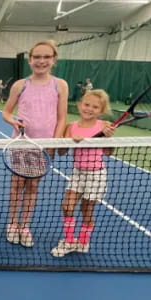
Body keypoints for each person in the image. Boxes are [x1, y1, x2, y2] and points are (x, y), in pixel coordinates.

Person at [2, 40, 68, 248]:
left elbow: (62, 118)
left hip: (44, 147)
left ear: (53, 59)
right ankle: (12, 224)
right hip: (21, 144)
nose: (41, 61)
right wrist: (13, 121)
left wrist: (53, 143)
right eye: (37, 57)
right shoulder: (20, 85)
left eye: (46, 57)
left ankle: (25, 226)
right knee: (17, 186)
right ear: (30, 60)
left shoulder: (60, 85)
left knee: (32, 187)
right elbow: (6, 112)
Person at [51, 90, 115, 257]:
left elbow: (109, 152)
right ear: (80, 105)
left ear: (101, 110)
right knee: (67, 206)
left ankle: (83, 242)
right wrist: (69, 141)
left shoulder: (104, 126)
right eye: (87, 104)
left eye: (95, 107)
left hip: (97, 175)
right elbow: (62, 152)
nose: (89, 109)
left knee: (86, 210)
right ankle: (70, 242)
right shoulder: (71, 127)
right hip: (77, 173)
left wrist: (108, 138)